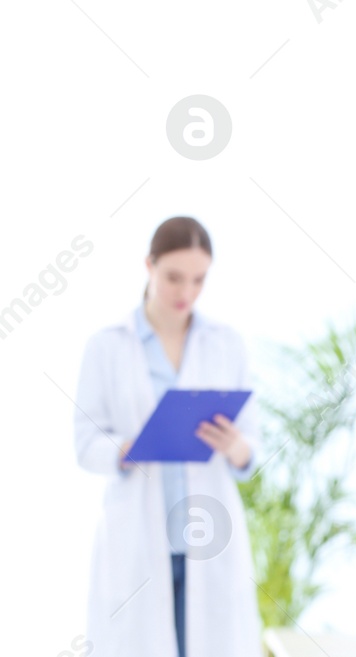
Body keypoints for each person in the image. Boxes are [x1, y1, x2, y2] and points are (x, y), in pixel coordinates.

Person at [74, 216, 263, 657]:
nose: (186, 293)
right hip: (138, 536)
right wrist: (124, 449)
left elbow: (251, 443)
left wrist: (237, 448)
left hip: (207, 536)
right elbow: (84, 442)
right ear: (149, 265)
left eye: (199, 280)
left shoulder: (226, 342)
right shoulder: (107, 345)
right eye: (174, 278)